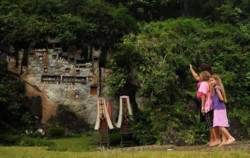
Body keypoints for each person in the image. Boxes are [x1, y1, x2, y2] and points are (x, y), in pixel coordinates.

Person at [209, 75, 235, 146]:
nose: (210, 82)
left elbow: (221, 98)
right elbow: (212, 97)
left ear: (216, 81)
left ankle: (230, 137)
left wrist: (219, 99)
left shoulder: (217, 88)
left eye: (212, 80)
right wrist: (211, 87)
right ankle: (224, 140)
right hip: (219, 108)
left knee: (219, 125)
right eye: (209, 81)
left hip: (219, 108)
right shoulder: (214, 88)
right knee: (221, 124)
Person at [197, 71, 221, 146]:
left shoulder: (203, 83)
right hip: (214, 104)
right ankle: (215, 139)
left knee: (210, 123)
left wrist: (202, 107)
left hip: (208, 105)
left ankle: (216, 139)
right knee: (214, 122)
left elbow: (203, 96)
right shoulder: (210, 82)